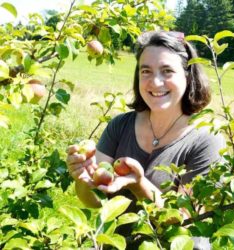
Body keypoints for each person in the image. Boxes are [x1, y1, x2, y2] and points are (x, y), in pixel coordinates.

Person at [66, 30, 225, 248]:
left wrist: (139, 185)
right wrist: (83, 180)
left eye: (167, 71)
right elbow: (93, 201)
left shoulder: (207, 140)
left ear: (187, 76)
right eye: (146, 71)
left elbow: (188, 222)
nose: (155, 82)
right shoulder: (120, 125)